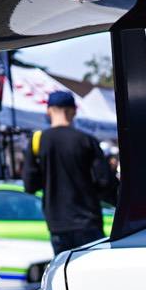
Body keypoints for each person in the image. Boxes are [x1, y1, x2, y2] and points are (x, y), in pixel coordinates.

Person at [24, 89, 113, 252]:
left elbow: (30, 185)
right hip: (88, 220)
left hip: (57, 223)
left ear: (49, 111)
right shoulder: (87, 140)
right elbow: (105, 182)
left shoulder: (38, 141)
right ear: (74, 111)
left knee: (65, 268)